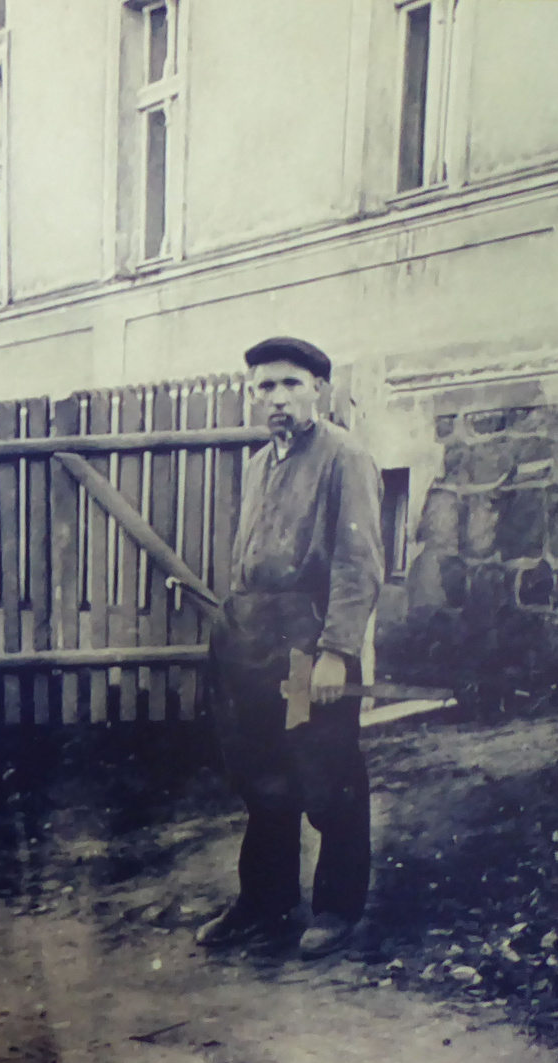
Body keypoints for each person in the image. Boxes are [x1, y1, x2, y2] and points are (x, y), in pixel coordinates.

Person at [197, 337, 383, 959]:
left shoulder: (343, 457)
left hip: (309, 648)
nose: (276, 398)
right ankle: (265, 902)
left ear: (318, 389)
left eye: (290, 384)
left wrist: (335, 650)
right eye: (265, 387)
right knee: (263, 779)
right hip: (254, 648)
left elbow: (359, 565)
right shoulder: (259, 464)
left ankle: (337, 908)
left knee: (326, 775)